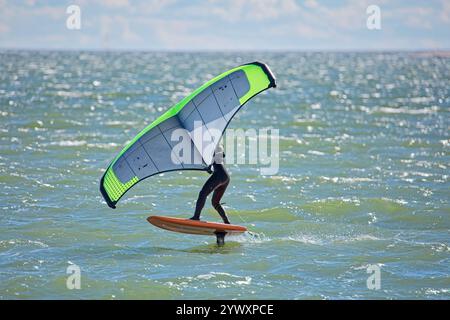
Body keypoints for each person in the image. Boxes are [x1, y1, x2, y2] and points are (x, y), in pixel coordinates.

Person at [190, 144, 230, 224]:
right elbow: (219, 157)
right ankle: (227, 222)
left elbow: (215, 155)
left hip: (219, 175)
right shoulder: (218, 145)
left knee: (202, 194)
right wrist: (210, 166)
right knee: (215, 202)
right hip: (225, 176)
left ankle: (196, 217)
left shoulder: (216, 145)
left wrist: (210, 166)